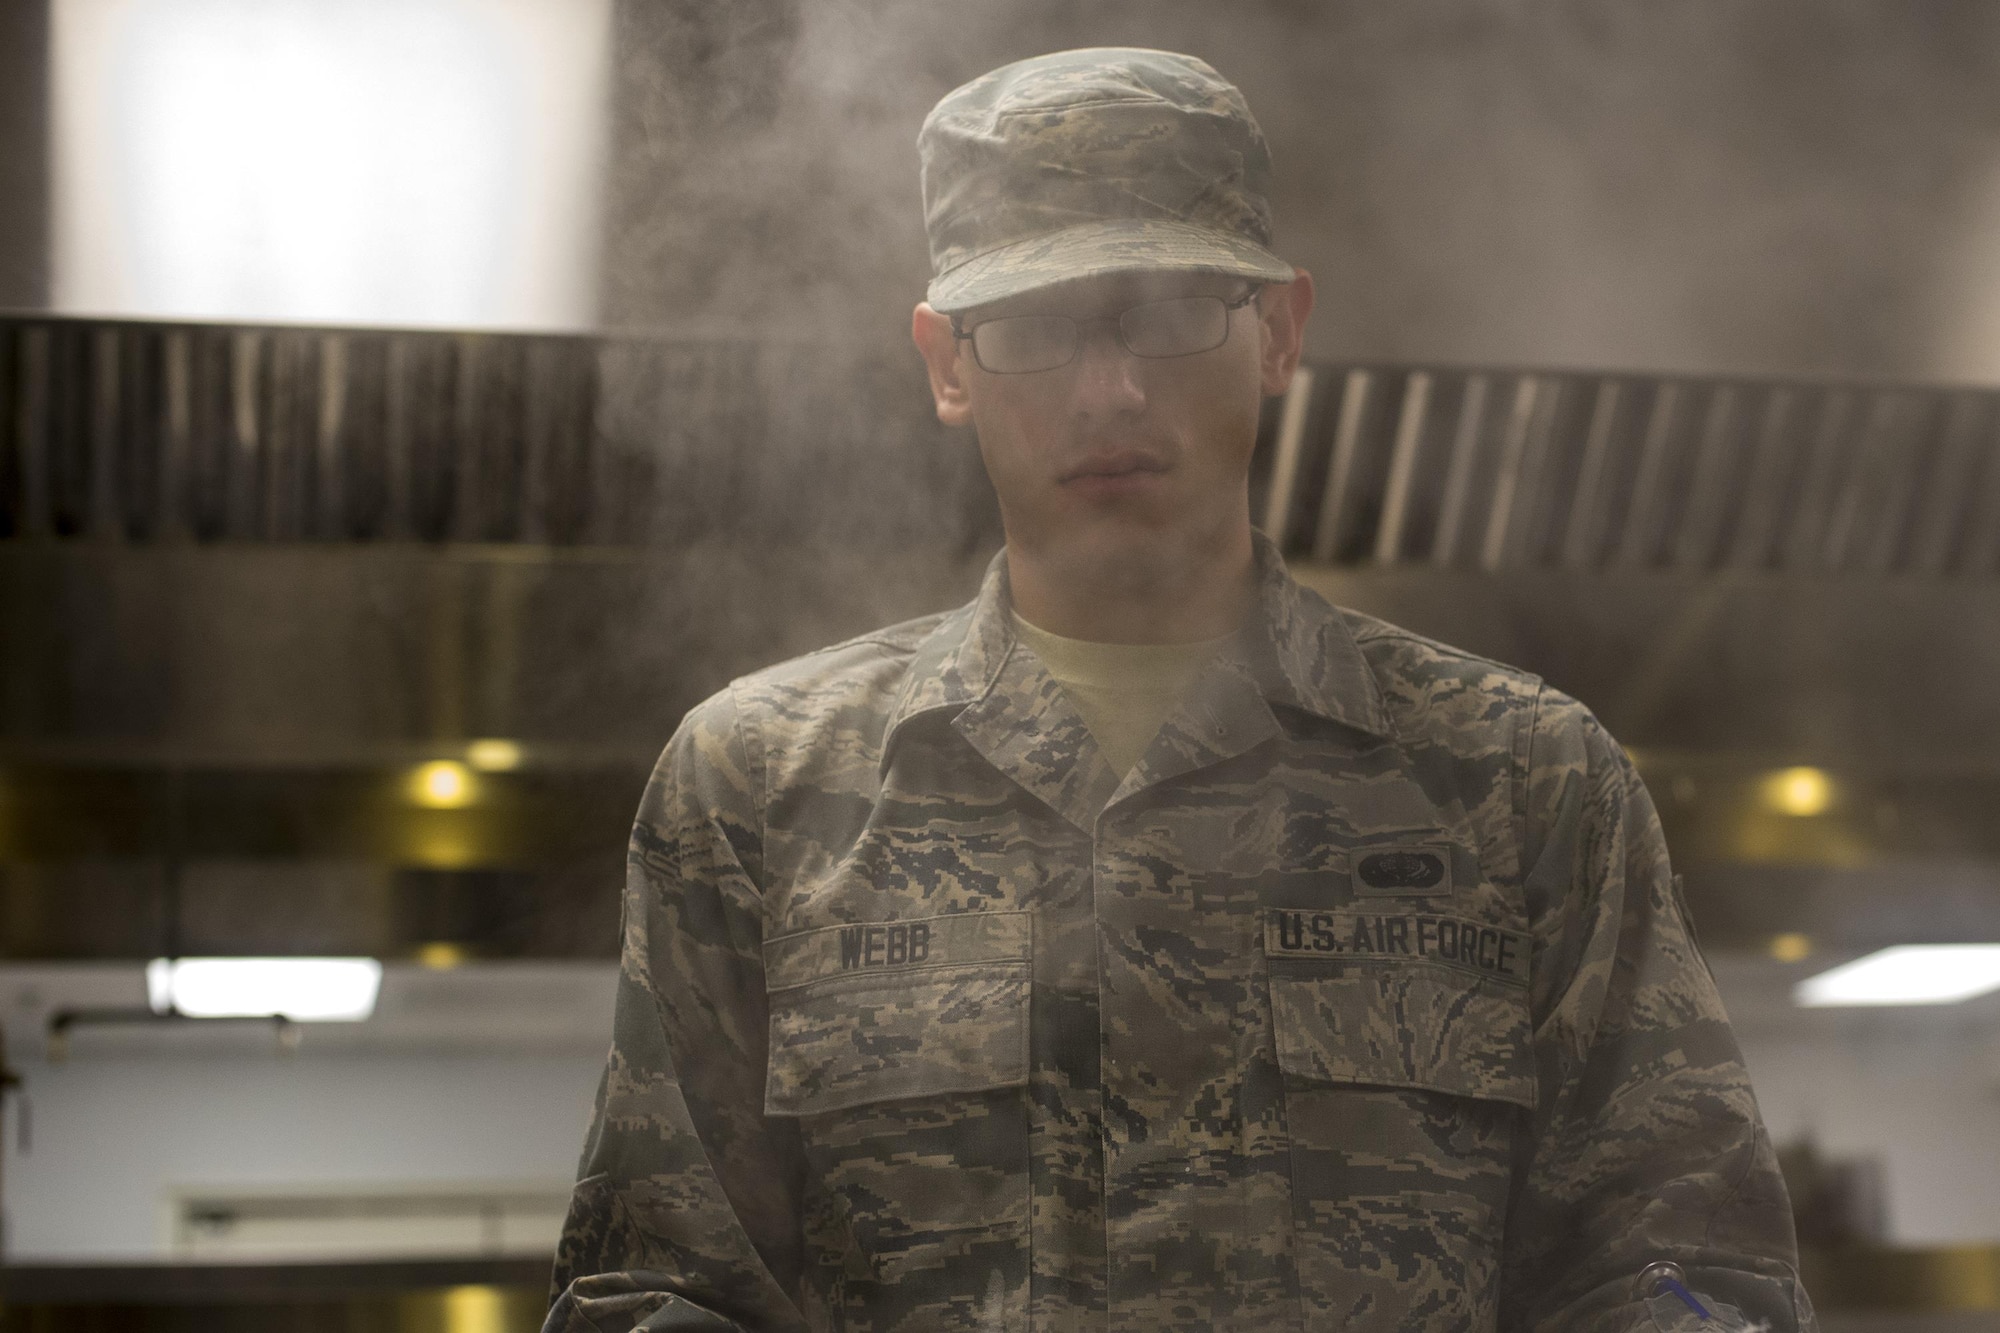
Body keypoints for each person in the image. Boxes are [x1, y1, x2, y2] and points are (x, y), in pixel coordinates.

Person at [545, 47, 1815, 1333]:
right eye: (1036, 326)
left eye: (1164, 311)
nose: (1111, 390)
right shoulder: (758, 785)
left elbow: (1686, 1272)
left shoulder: (1520, 779)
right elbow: (660, 1290)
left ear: (1277, 332)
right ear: (945, 361)